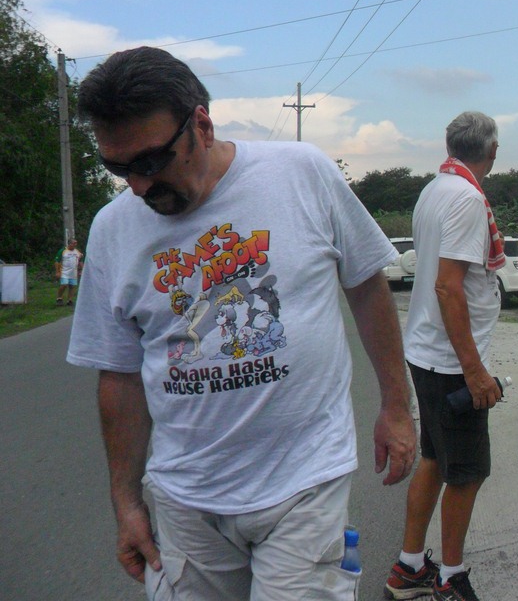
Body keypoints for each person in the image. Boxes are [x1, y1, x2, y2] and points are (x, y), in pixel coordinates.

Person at [65, 46, 416, 600]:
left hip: (304, 481)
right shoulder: (112, 230)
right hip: (185, 500)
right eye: (118, 168)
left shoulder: (302, 174)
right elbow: (119, 374)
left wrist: (397, 406)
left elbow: (367, 287)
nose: (137, 186)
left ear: (202, 126)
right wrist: (126, 503)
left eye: (150, 162)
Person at [386, 111, 504, 601]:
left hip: (428, 350)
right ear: (492, 150)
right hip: (450, 361)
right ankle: (450, 578)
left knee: (435, 459)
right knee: (468, 472)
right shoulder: (466, 198)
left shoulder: (435, 189)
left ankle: (410, 566)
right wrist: (474, 371)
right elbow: (448, 287)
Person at [55, 237, 84, 305]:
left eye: (76, 243)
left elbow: (80, 261)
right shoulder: (63, 251)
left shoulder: (77, 251)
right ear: (70, 244)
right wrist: (57, 272)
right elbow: (57, 261)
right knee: (64, 285)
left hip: (73, 272)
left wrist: (82, 269)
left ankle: (69, 300)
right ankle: (59, 298)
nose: (75, 245)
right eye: (74, 243)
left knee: (72, 286)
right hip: (64, 272)